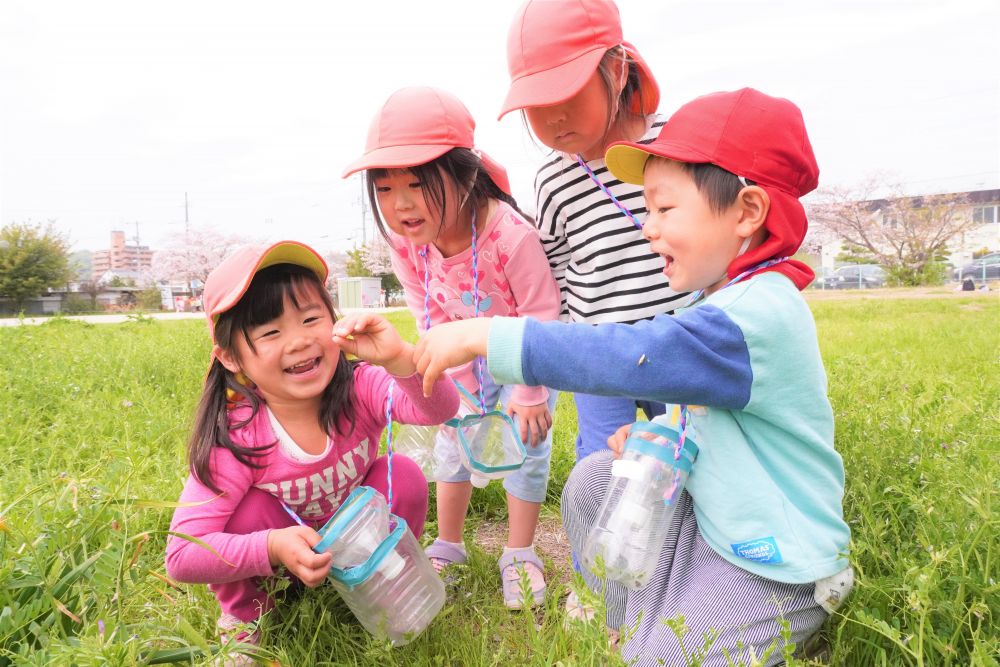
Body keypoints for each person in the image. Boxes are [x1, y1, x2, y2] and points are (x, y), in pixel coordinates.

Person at [411, 89, 854, 665]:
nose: (648, 228)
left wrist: (485, 335)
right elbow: (708, 411)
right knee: (597, 478)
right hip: (715, 524)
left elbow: (632, 355)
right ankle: (642, 617)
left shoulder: (756, 314)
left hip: (770, 560)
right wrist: (666, 434)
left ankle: (760, 620)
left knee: (661, 661)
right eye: (646, 210)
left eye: (665, 210)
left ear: (746, 212)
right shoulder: (718, 299)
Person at [165, 241, 459, 651]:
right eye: (270, 331)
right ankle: (246, 619)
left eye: (310, 318)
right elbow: (181, 555)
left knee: (403, 474)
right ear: (231, 358)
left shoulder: (359, 387)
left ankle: (386, 578)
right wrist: (272, 546)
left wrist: (399, 358)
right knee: (249, 511)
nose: (299, 340)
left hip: (354, 540)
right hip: (278, 562)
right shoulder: (237, 438)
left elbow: (439, 409)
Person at [342, 86, 562, 609]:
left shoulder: (509, 236)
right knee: (451, 446)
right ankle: (449, 543)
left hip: (523, 358)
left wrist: (529, 391)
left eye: (418, 183)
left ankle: (520, 552)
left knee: (525, 448)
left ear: (464, 175)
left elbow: (542, 315)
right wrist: (447, 387)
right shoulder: (406, 246)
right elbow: (429, 316)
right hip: (459, 360)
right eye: (386, 187)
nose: (400, 204)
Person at [499, 0, 690, 463]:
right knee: (602, 465)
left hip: (680, 340)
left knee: (699, 452)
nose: (555, 118)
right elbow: (555, 274)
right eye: (538, 107)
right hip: (597, 352)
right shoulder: (553, 179)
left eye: (568, 96)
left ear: (619, 70)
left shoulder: (679, 145)